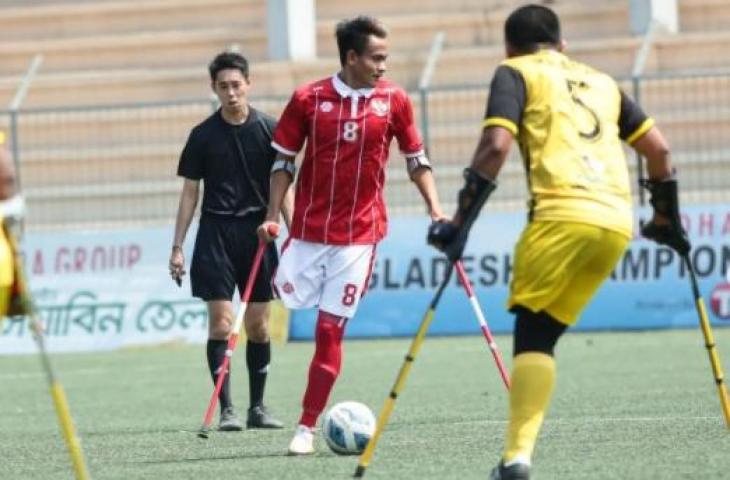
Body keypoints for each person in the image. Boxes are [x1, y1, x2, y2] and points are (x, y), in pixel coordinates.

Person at [427, 5, 689, 480]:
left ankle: (517, 459)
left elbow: (495, 147)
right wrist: (666, 218)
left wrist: (460, 222)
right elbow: (660, 151)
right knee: (544, 334)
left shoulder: (515, 72)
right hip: (614, 223)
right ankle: (516, 458)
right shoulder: (603, 81)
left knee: (531, 335)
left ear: (510, 46)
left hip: (559, 216)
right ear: (562, 45)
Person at [256, 16, 446, 455]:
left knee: (328, 331)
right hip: (305, 235)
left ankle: (305, 426)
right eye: (376, 58)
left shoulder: (395, 100)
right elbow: (283, 163)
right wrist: (271, 216)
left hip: (360, 239)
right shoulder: (308, 98)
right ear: (352, 57)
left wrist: (435, 208)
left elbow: (416, 158)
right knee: (281, 305)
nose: (384, 65)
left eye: (386, 57)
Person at [169, 51, 293, 432]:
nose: (231, 92)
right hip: (215, 236)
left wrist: (298, 237)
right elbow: (190, 192)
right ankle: (227, 410)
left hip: (258, 235)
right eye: (223, 86)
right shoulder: (202, 136)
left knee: (258, 326)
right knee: (221, 325)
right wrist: (177, 246)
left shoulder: (272, 131)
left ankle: (258, 407)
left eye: (236, 85)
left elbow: (284, 184)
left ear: (248, 84)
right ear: (214, 89)